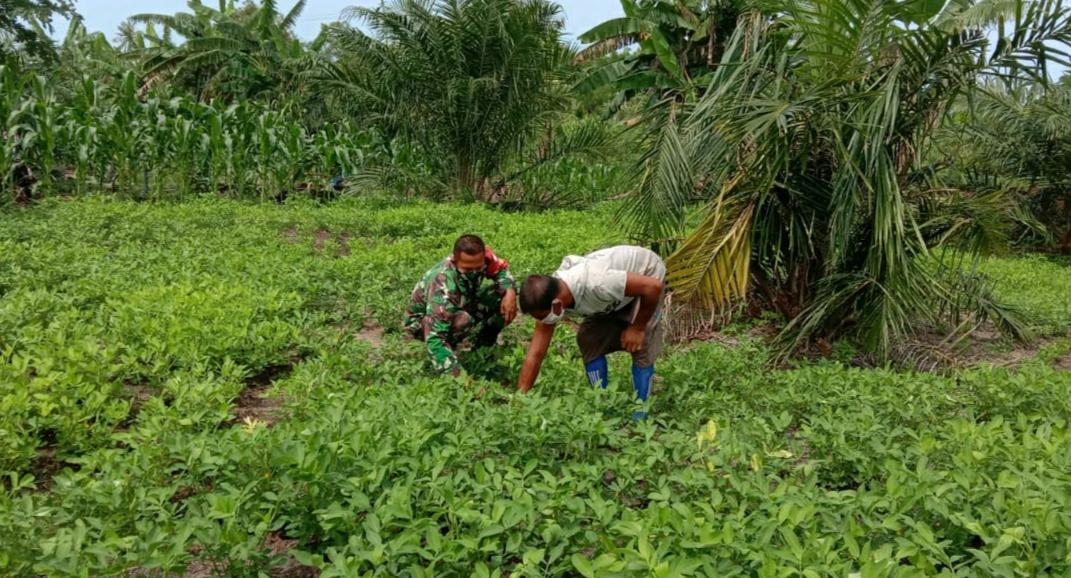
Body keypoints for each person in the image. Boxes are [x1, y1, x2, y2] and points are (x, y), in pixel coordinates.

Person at [516, 245, 666, 419]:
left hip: (647, 275)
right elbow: (536, 352)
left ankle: (641, 410)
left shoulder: (597, 283)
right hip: (616, 293)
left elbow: (652, 287)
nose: (544, 320)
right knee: (588, 338)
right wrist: (521, 398)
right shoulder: (550, 299)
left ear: (557, 303)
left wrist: (637, 327)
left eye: (544, 316)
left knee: (640, 343)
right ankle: (601, 400)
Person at [404, 235, 518, 376]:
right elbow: (435, 339)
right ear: (455, 260)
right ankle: (450, 355)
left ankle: (483, 346)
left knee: (501, 295)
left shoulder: (484, 257)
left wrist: (510, 292)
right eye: (468, 270)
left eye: (478, 268)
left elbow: (502, 270)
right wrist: (461, 380)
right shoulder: (442, 283)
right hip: (425, 324)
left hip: (463, 302)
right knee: (463, 320)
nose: (475, 272)